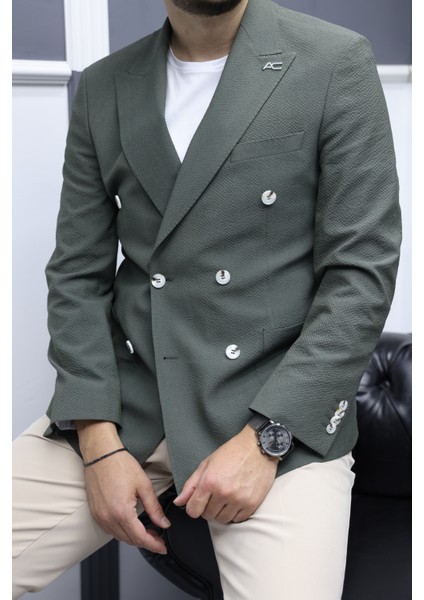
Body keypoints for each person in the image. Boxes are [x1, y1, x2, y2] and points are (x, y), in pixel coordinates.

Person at [12, 0, 402, 598]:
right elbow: (76, 276)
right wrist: (96, 442)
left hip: (275, 409)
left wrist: (270, 438)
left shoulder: (332, 60)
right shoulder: (104, 86)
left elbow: (361, 273)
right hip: (135, 400)